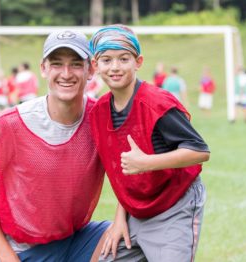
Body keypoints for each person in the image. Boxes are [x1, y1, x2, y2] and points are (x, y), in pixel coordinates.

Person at [0, 29, 110, 262]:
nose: (66, 73)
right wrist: (7, 257)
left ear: (90, 69)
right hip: (22, 251)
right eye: (57, 64)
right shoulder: (10, 125)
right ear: (43, 68)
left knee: (139, 233)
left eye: (75, 64)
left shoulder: (102, 119)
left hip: (75, 241)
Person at [89, 24, 210, 262]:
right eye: (106, 60)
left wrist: (147, 162)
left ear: (138, 62)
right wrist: (119, 218)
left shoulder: (157, 103)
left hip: (174, 205)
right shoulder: (99, 112)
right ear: (95, 65)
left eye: (124, 59)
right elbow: (122, 171)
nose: (115, 67)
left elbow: (199, 150)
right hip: (135, 211)